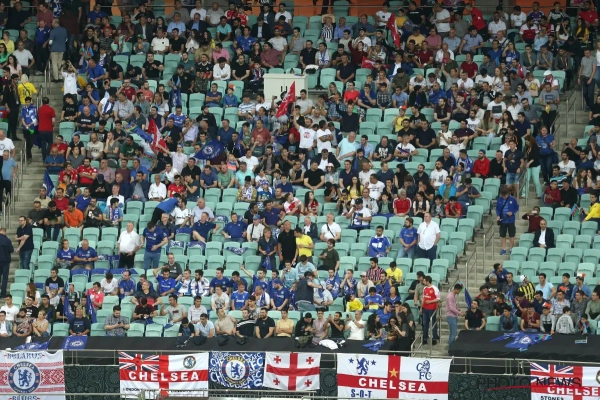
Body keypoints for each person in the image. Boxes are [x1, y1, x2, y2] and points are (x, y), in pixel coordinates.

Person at [496, 187, 519, 255]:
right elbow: (497, 209)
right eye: (502, 195)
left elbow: (516, 207)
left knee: (511, 235)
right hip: (502, 220)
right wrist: (498, 215)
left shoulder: (512, 199)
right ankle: (503, 249)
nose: (504, 197)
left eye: (505, 195)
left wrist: (512, 212)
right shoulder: (499, 199)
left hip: (511, 220)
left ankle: (511, 249)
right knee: (503, 235)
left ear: (508, 194)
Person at [0, 228, 13, 297]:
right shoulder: (7, 240)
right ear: (5, 232)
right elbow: (11, 250)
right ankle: (3, 293)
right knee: (5, 278)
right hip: (5, 261)